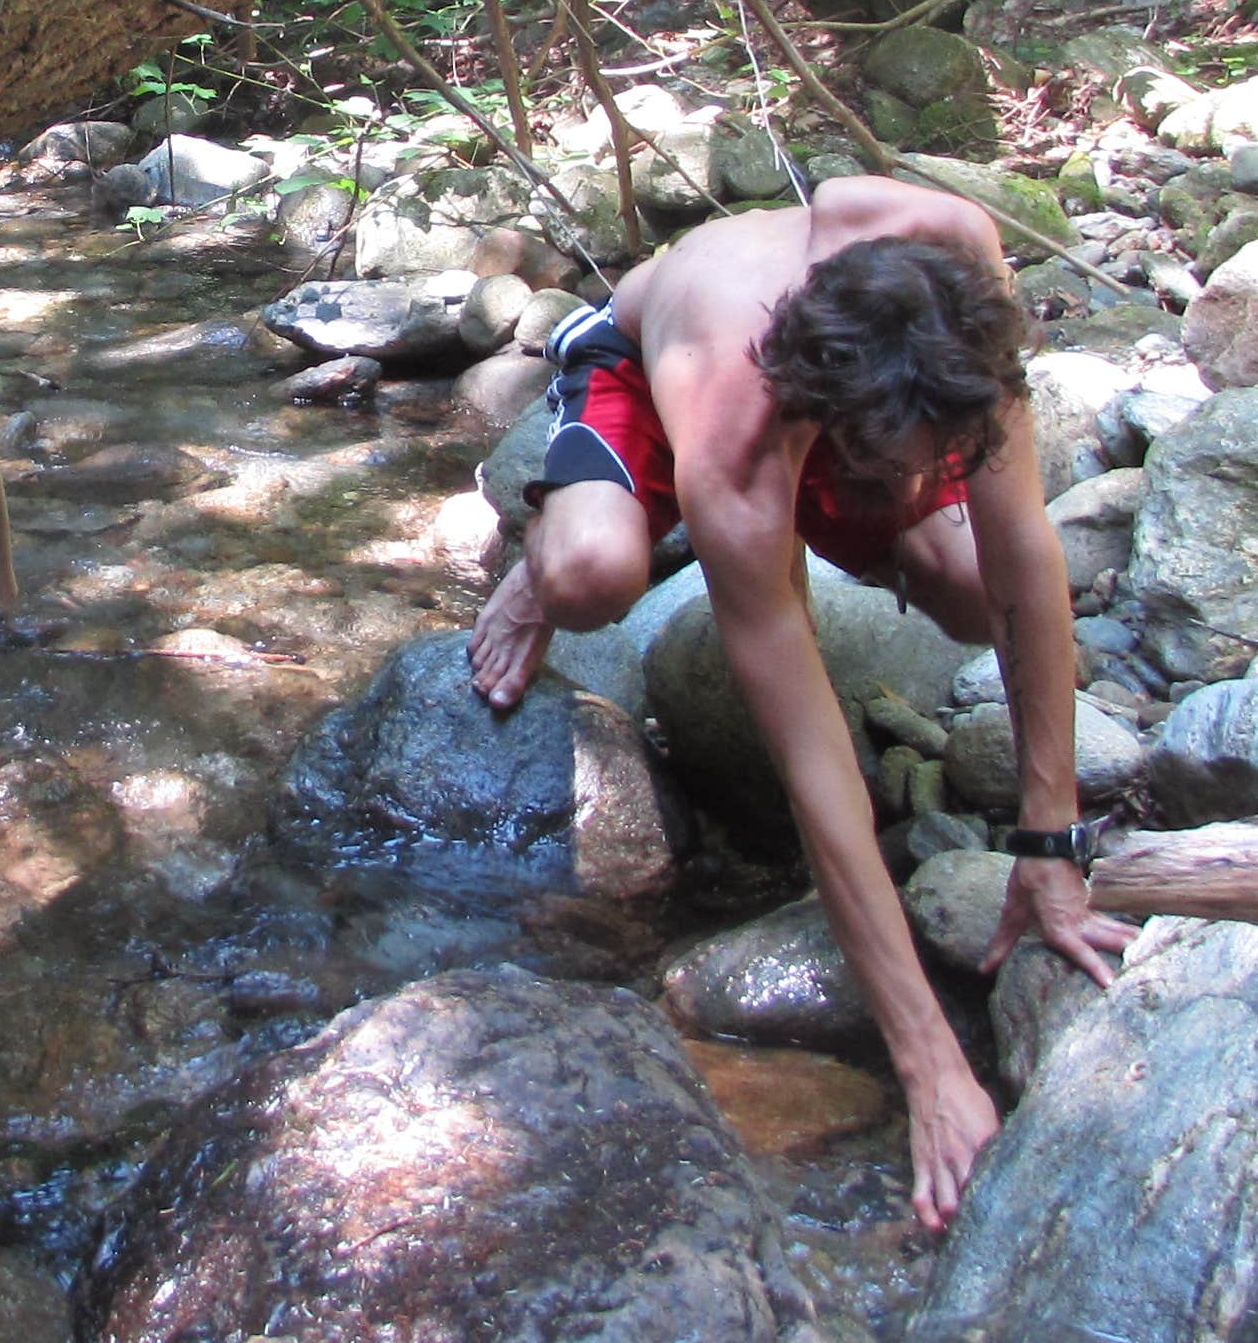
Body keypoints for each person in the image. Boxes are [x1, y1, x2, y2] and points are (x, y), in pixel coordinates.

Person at [465, 174, 1135, 1231]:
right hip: (649, 363)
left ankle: (796, 499)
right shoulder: (732, 423)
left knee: (973, 594)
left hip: (851, 408)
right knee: (594, 577)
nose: (926, 484)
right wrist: (928, 1061)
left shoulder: (958, 277)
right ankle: (551, 542)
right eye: (899, 471)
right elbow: (812, 752)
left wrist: (1051, 846)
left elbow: (1023, 552)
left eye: (936, 462)